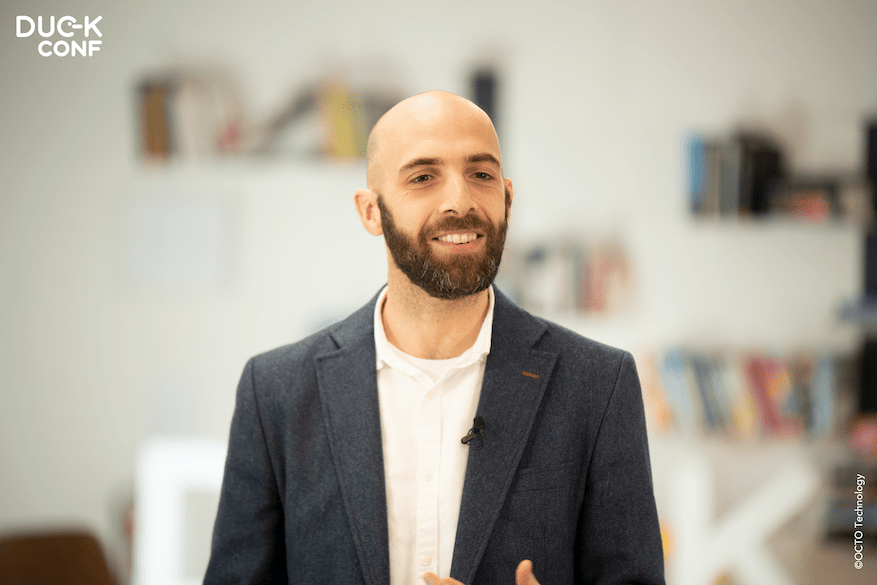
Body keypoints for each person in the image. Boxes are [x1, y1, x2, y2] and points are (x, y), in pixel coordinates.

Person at [204, 91, 664, 585]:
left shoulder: (599, 384)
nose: (460, 201)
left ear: (508, 199)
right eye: (423, 177)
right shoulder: (275, 391)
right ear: (371, 211)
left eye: (481, 175)